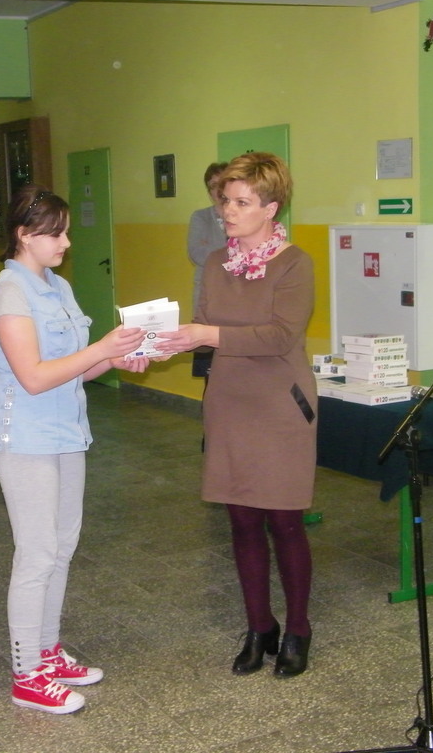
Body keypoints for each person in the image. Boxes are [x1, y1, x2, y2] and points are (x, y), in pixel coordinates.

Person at [0, 185, 149, 713]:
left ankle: (47, 651)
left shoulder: (58, 286)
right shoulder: (10, 293)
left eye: (66, 232)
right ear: (24, 235)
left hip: (65, 432)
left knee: (61, 545)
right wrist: (101, 348)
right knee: (36, 553)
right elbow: (33, 377)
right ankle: (26, 674)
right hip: (25, 436)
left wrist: (114, 359)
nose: (66, 242)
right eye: (56, 234)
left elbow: (74, 368)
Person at [157, 153, 317, 678]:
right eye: (225, 200)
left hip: (280, 405)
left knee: (285, 521)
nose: (227, 211)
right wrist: (163, 341)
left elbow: (280, 336)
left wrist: (207, 334)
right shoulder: (214, 263)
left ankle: (298, 629)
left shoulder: (294, 264)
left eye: (241, 202)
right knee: (242, 520)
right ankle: (259, 626)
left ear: (271, 208)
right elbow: (205, 327)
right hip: (229, 401)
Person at [187, 162, 228, 379]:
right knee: (209, 371)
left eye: (223, 183)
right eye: (213, 185)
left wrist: (214, 249)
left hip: (238, 298)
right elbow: (197, 253)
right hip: (208, 297)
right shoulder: (200, 217)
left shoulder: (244, 216)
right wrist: (233, 252)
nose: (218, 190)